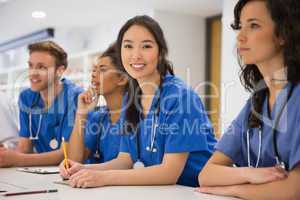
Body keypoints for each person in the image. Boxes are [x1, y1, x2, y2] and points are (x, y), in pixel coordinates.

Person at [59, 15, 216, 188]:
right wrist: (84, 169)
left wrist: (103, 178)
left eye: (146, 46)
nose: (135, 55)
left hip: (192, 191)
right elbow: (125, 160)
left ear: (160, 52)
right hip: (156, 192)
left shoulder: (181, 97)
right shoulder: (132, 98)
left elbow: (169, 173)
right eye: (128, 46)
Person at [197, 0, 300, 199]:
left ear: (283, 34)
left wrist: (232, 189)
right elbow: (207, 175)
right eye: (240, 26)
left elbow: (294, 190)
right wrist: (250, 174)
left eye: (253, 25)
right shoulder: (256, 104)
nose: (240, 37)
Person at [0, 41, 83, 167]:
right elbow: (24, 148)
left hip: (74, 172)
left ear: (59, 71)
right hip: (42, 171)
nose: (33, 73)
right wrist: (5, 156)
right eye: (31, 66)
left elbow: (65, 154)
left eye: (41, 67)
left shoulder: (75, 97)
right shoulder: (26, 98)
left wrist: (17, 159)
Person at [67, 43, 128, 164]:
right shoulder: (98, 117)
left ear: (122, 79)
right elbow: (74, 160)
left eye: (102, 70)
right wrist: (81, 113)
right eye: (94, 70)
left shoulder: (133, 118)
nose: (93, 74)